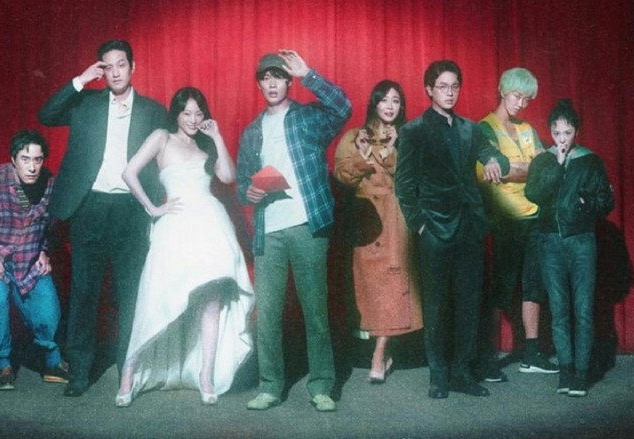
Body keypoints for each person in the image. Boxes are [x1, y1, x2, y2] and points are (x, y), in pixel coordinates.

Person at [38, 39, 167, 397]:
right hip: (89, 208)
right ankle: (79, 372)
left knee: (130, 293)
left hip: (131, 210)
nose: (115, 73)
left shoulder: (153, 111)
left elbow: (173, 152)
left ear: (133, 67)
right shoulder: (86, 103)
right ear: (101, 71)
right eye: (108, 67)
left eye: (121, 65)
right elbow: (46, 115)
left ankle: (129, 369)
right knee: (84, 292)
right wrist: (81, 80)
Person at [114, 87, 254, 407]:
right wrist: (153, 208)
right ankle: (128, 376)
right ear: (176, 114)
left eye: (198, 113)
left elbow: (227, 176)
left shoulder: (206, 144)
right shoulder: (161, 138)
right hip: (175, 227)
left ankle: (206, 377)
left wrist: (217, 136)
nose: (192, 119)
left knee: (211, 302)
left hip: (210, 225)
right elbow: (129, 172)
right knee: (155, 299)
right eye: (186, 113)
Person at [237, 50, 351, 412]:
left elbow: (343, 108)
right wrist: (249, 192)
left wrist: (308, 74)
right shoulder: (252, 131)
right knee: (268, 314)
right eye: (265, 78)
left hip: (306, 225)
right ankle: (270, 386)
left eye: (278, 76)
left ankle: (321, 386)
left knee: (315, 311)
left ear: (288, 81)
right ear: (259, 84)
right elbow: (242, 183)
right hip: (269, 231)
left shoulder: (308, 118)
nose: (271, 83)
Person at [395, 60, 509, 399]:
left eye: (455, 86)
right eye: (443, 87)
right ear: (429, 89)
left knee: (469, 305)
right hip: (434, 231)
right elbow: (404, 186)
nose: (449, 93)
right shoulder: (413, 131)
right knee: (436, 306)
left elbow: (496, 156)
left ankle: (461, 373)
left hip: (469, 230)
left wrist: (493, 161)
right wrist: (420, 225)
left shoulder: (471, 129)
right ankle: (438, 376)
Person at [0, 129, 69, 390]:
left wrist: (43, 251)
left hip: (27, 256)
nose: (32, 167)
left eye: (38, 160)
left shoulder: (49, 184)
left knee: (47, 306)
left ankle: (51, 361)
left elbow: (49, 225)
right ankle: (1, 363)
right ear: (13, 159)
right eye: (25, 159)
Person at [334, 80, 422, 383]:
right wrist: (362, 156)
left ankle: (379, 353)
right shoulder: (355, 136)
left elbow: (414, 177)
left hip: (395, 218)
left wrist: (394, 148)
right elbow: (343, 175)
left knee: (394, 285)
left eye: (396, 101)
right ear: (374, 103)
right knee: (371, 289)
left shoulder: (408, 136)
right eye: (384, 100)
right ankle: (382, 350)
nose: (390, 106)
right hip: (365, 220)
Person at [474, 68, 559, 383]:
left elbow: (544, 169)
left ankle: (531, 353)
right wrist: (527, 167)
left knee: (533, 286)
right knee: (502, 288)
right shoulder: (485, 128)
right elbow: (491, 172)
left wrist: (514, 168)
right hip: (505, 220)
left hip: (534, 217)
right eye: (516, 96)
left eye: (526, 99)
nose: (521, 103)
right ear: (502, 91)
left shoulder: (527, 129)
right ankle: (487, 358)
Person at [525, 99, 614, 397]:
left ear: (576, 131)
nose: (562, 139)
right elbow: (534, 193)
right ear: (550, 132)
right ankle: (565, 370)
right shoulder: (544, 161)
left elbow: (606, 202)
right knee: (559, 309)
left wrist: (585, 203)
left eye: (567, 132)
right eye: (556, 133)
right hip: (550, 242)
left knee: (583, 309)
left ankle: (581, 373)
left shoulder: (591, 161)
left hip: (581, 242)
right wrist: (558, 165)